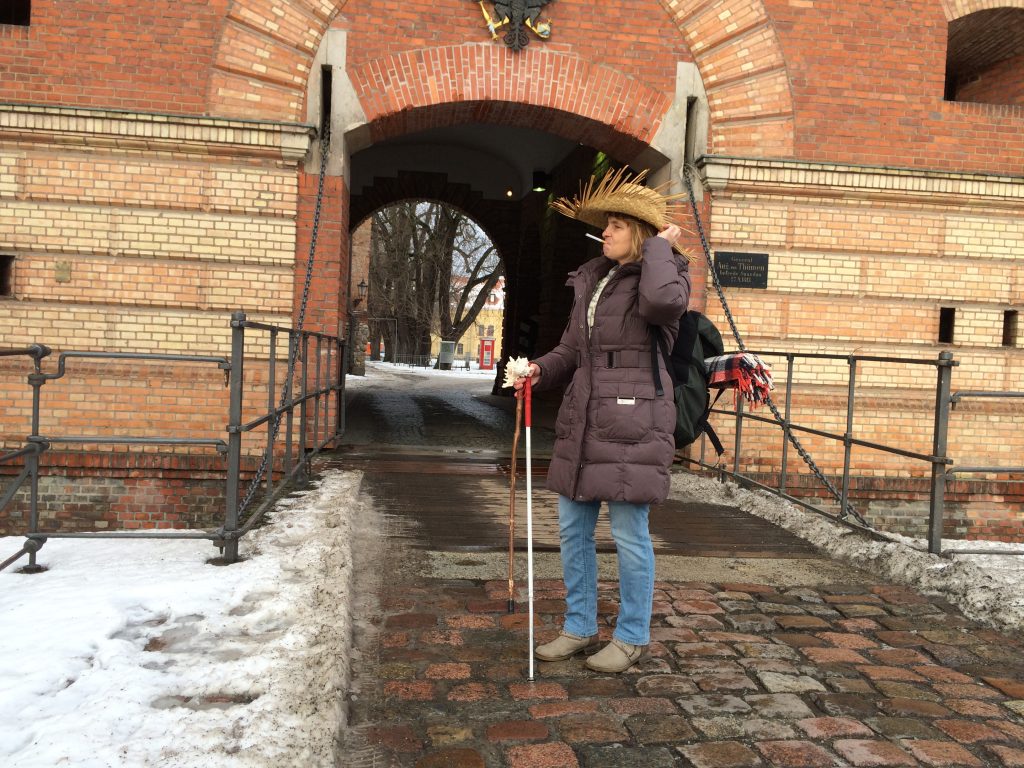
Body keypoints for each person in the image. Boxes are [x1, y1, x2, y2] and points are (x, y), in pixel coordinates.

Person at [513, 167, 692, 673]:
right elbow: (573, 349)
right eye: (605, 224)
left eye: (615, 225)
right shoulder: (593, 279)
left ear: (637, 232)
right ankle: (580, 626)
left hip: (635, 421)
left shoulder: (666, 273)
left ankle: (632, 635)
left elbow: (662, 306)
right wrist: (538, 370)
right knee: (572, 529)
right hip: (584, 415)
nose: (604, 233)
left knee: (631, 532)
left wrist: (661, 249)